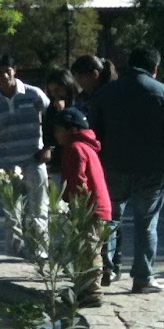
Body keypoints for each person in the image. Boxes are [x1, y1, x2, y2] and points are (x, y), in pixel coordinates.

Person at [83, 45, 164, 294]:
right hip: (152, 169)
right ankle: (143, 277)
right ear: (155, 68)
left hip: (112, 167)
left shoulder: (105, 94)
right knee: (146, 223)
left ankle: (106, 269)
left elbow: (93, 132)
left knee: (109, 220)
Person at [0, 52, 50, 256]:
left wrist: (48, 148)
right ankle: (14, 254)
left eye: (7, 71)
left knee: (38, 209)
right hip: (7, 164)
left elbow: (51, 119)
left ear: (15, 71)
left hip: (34, 160)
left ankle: (40, 252)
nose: (4, 76)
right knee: (12, 214)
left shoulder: (33, 94)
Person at [53, 106, 112, 308]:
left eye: (58, 129)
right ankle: (83, 289)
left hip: (89, 208)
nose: (55, 133)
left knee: (89, 250)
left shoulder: (74, 148)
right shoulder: (86, 147)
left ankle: (93, 293)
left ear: (71, 129)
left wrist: (74, 209)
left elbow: (79, 182)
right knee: (85, 249)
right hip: (97, 206)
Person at [71, 53, 121, 282]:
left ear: (94, 75)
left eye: (81, 77)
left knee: (111, 216)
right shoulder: (82, 99)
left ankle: (109, 264)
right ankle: (104, 264)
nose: (79, 83)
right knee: (99, 215)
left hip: (112, 161)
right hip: (92, 160)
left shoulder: (112, 94)